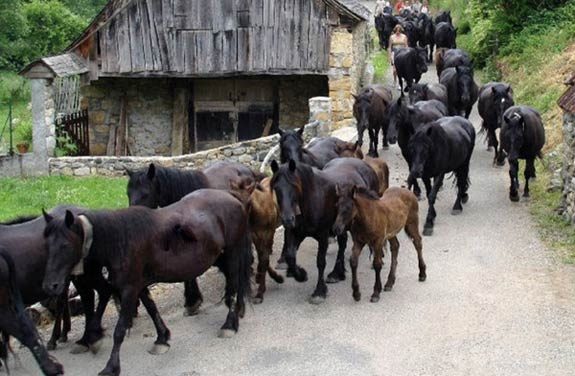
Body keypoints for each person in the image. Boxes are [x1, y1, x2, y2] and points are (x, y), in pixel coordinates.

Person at [389, 24, 409, 90]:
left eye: (399, 31)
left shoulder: (404, 37)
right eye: (397, 30)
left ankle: (403, 82)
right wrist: (390, 56)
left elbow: (406, 46)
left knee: (403, 68)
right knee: (395, 70)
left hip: (402, 53)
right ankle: (395, 81)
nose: (398, 32)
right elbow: (389, 47)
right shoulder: (392, 37)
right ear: (395, 30)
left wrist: (407, 54)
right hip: (394, 53)